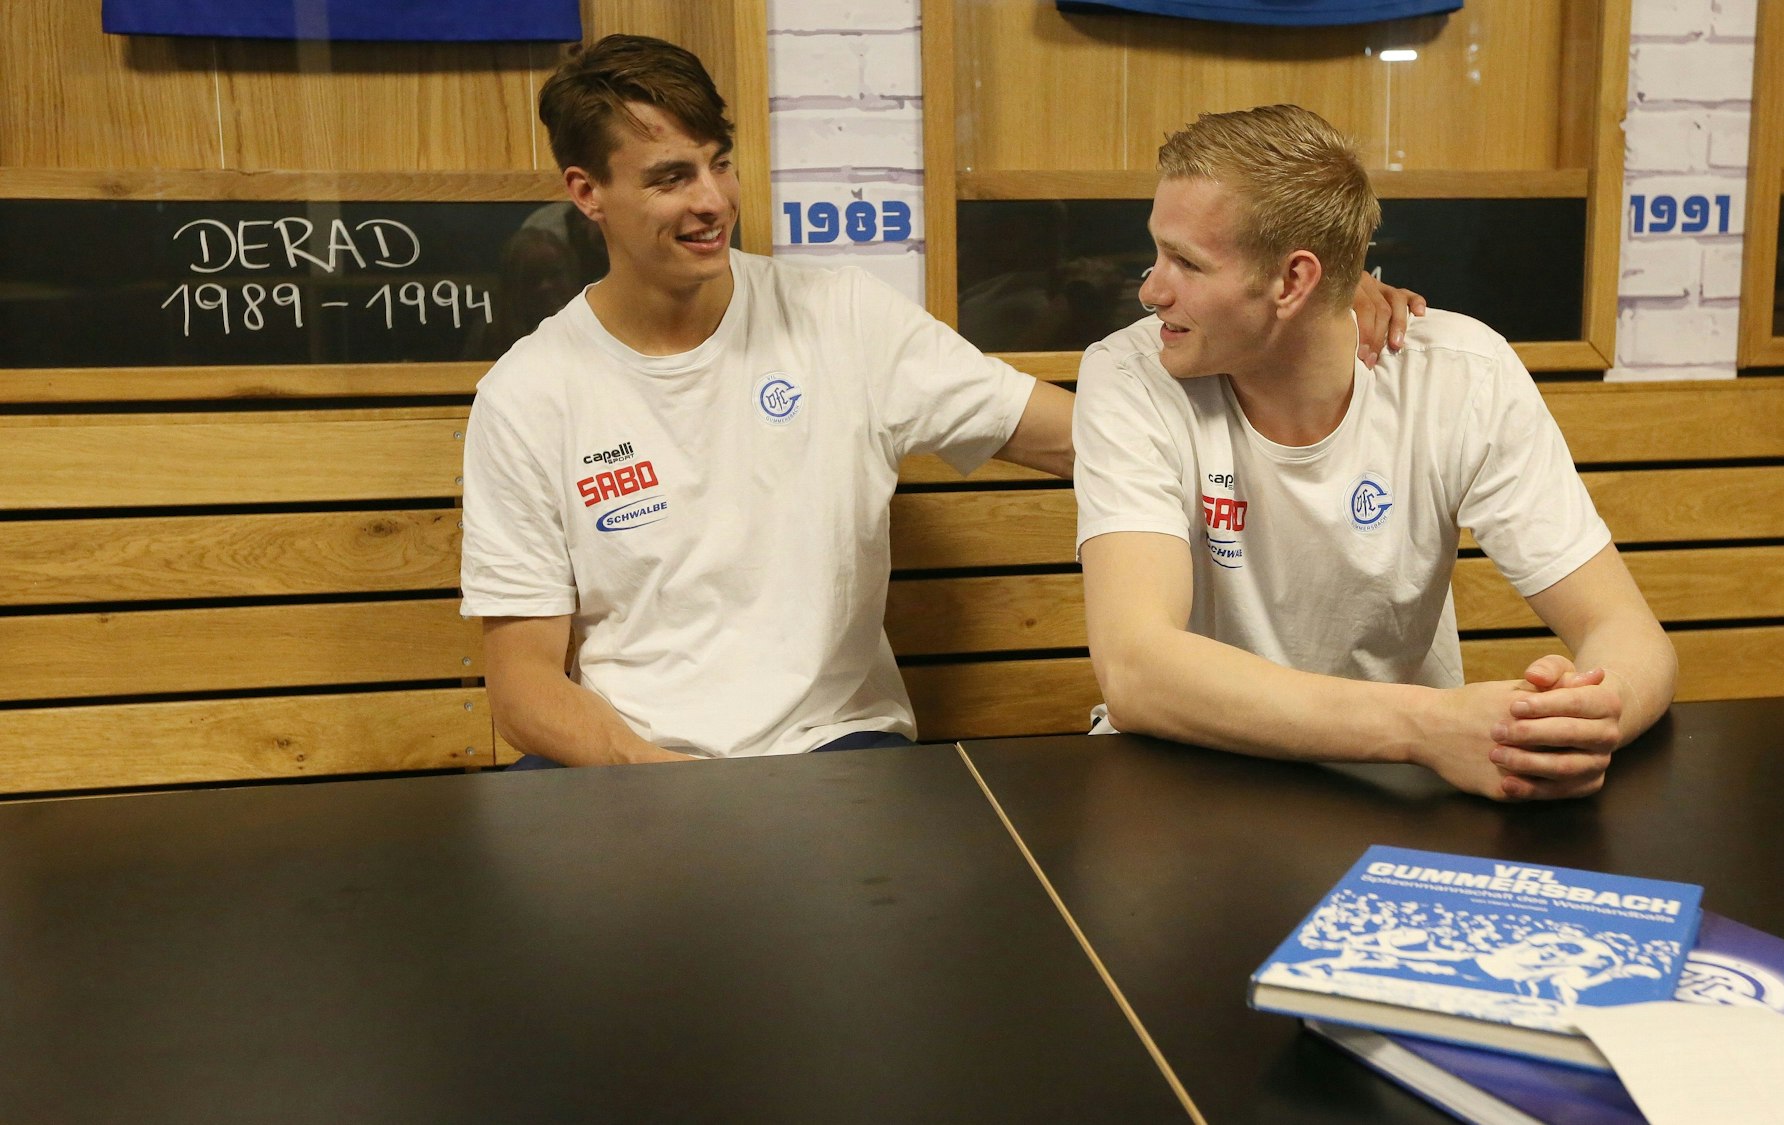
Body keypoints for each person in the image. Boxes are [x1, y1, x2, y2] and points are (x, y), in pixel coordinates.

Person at [460, 38, 1422, 765]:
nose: (712, 198)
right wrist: (673, 794)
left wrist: (1317, 318)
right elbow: (525, 685)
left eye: (720, 160)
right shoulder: (530, 394)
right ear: (585, 191)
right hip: (637, 773)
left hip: (839, 750)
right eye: (670, 178)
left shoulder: (839, 315)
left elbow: (1082, 439)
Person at [1073, 105, 1677, 801]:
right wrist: (1426, 726)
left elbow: (1627, 631)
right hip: (1186, 781)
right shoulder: (1128, 376)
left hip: (1397, 791)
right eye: (1157, 251)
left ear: (1293, 282)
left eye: (1185, 261)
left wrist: (1582, 717)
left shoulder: (1462, 374)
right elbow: (1137, 669)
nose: (1149, 290)